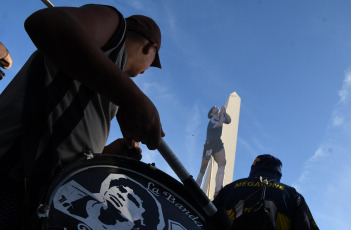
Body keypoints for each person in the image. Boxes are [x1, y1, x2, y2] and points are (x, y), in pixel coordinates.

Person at [0, 4, 164, 229]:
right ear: (150, 47)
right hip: (10, 181)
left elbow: (64, 139)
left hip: (37, 198)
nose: (146, 70)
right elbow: (46, 22)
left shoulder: (106, 79)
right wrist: (132, 97)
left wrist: (106, 155)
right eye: (153, 63)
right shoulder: (115, 29)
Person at [213, 154, 319, 230]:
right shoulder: (292, 194)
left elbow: (206, 216)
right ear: (278, 173)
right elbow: (307, 226)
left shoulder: (230, 188)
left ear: (254, 168)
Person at [196, 105, 231, 197]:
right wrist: (222, 114)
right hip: (209, 145)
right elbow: (219, 124)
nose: (216, 107)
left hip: (217, 143)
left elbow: (229, 120)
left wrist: (224, 112)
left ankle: (218, 190)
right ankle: (195, 188)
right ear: (212, 113)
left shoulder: (220, 118)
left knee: (222, 163)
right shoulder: (211, 121)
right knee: (203, 169)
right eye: (214, 107)